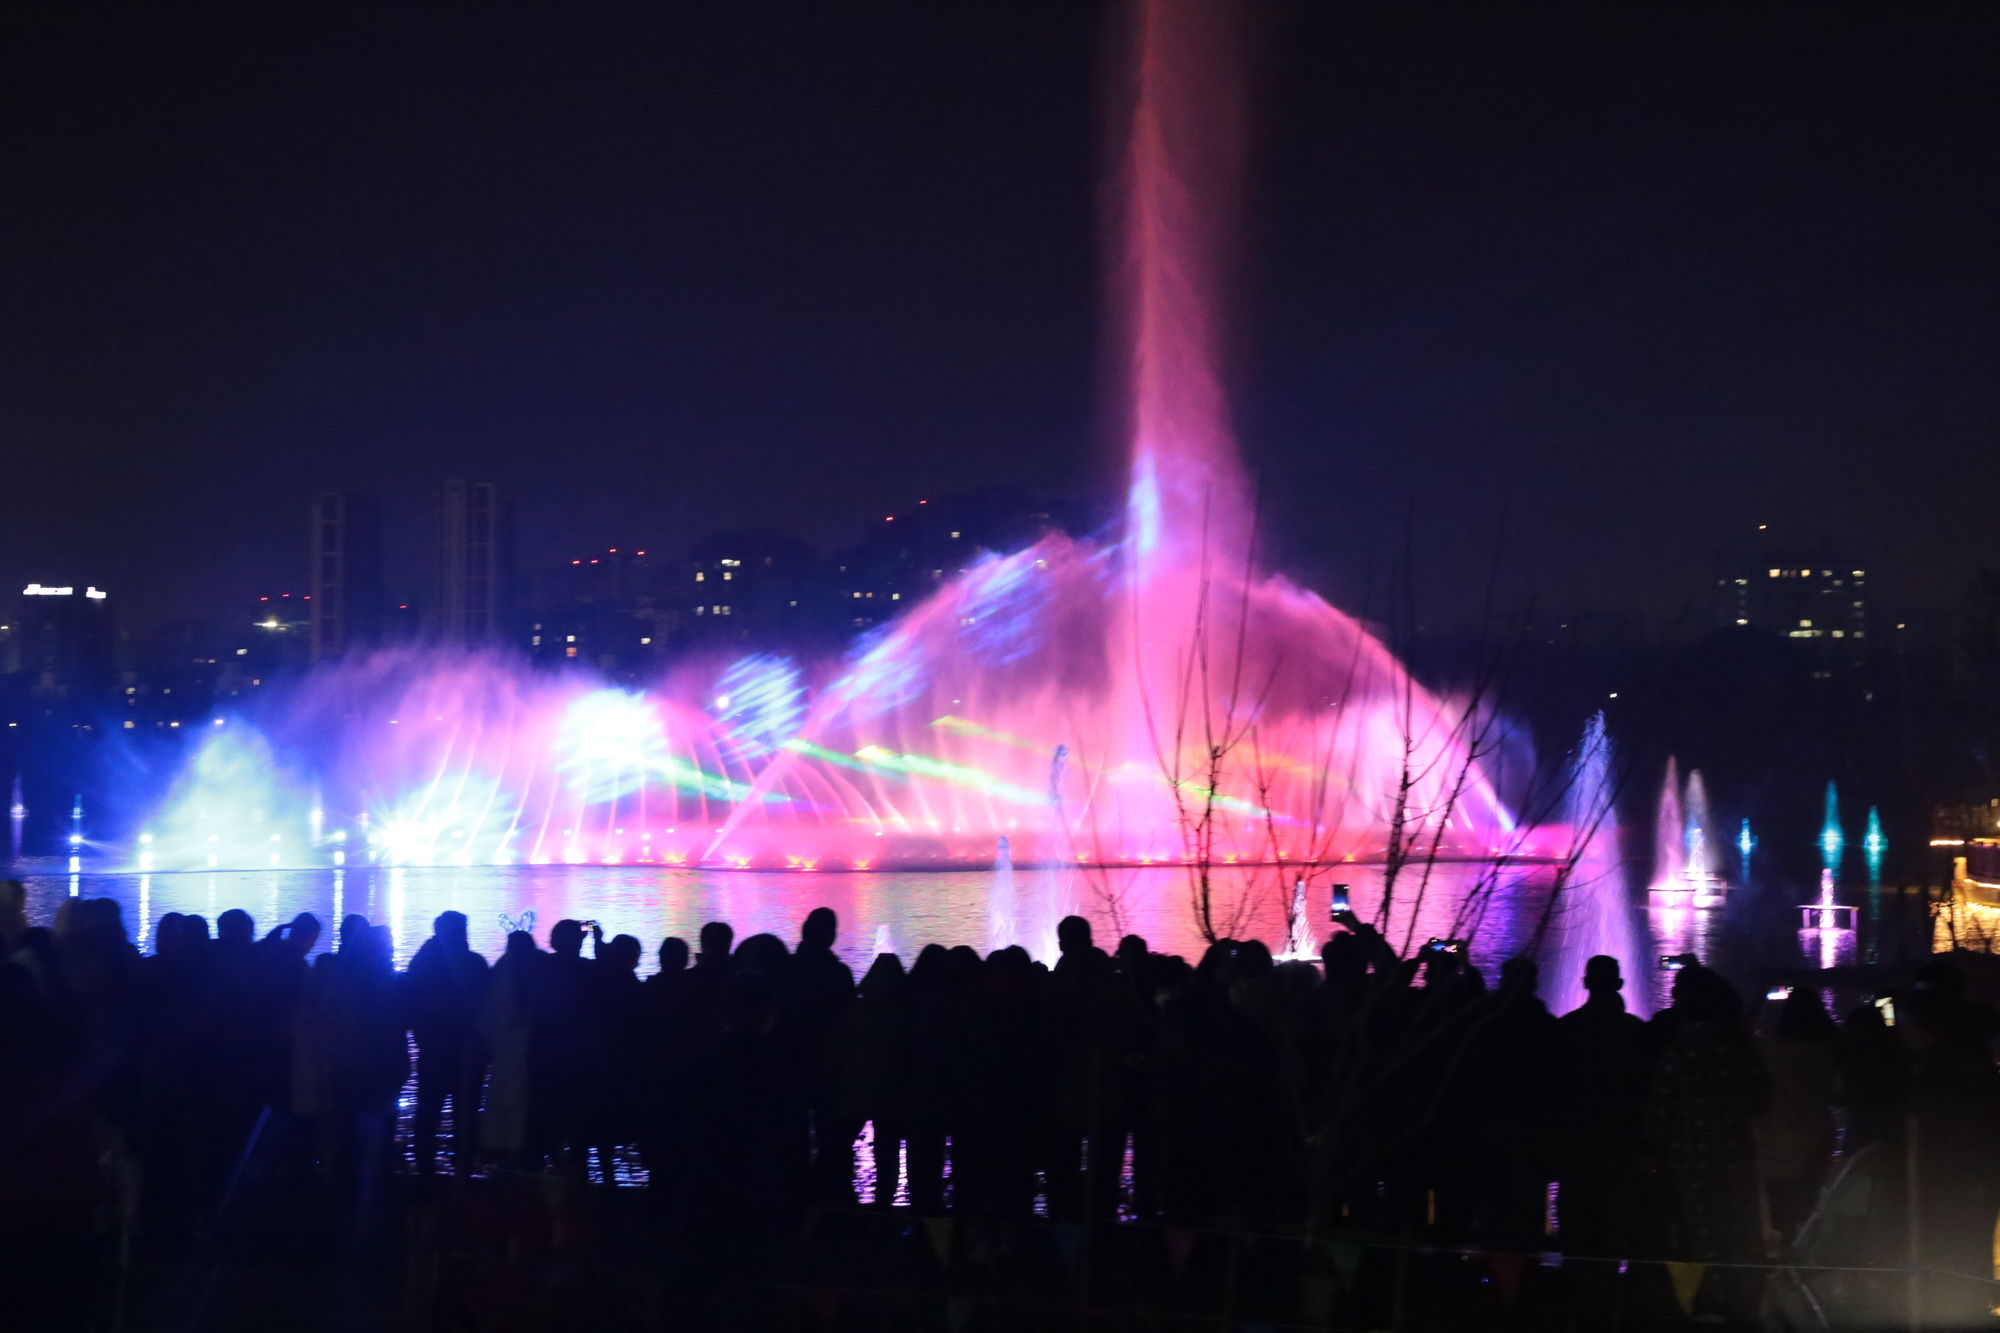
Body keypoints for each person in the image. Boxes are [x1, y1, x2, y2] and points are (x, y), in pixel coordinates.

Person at [406, 911, 489, 1176]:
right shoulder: (475, 964)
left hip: (434, 1051)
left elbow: (412, 1003)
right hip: (468, 1053)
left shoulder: (424, 965)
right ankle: (463, 1170)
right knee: (465, 1113)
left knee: (428, 1111)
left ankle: (425, 1171)